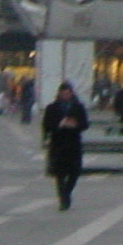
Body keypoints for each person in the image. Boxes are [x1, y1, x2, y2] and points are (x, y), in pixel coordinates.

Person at [41, 80, 89, 211]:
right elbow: (46, 125)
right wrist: (58, 125)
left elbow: (85, 124)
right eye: (63, 93)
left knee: (74, 173)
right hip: (58, 144)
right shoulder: (52, 107)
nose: (66, 95)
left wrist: (75, 125)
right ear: (59, 94)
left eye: (68, 93)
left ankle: (67, 192)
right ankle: (63, 198)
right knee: (60, 174)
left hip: (74, 143)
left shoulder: (78, 107)